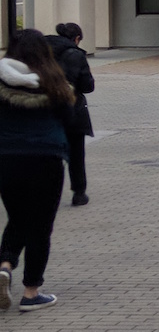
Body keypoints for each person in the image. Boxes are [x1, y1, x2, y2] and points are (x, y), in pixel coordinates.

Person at [0, 29, 77, 313]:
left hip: (7, 158)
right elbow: (71, 119)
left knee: (17, 218)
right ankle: (31, 292)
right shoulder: (54, 82)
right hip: (46, 158)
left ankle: (5, 265)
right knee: (40, 226)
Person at [47, 23, 95, 206]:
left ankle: (49, 193)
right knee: (76, 153)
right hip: (72, 110)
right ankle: (79, 192)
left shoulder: (42, 50)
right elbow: (87, 85)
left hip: (46, 110)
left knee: (51, 154)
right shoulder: (76, 54)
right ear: (76, 39)